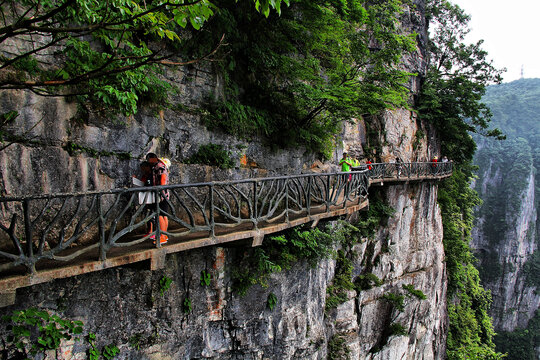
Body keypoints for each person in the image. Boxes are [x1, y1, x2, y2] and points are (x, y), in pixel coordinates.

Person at [146, 153, 170, 245]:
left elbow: (163, 179)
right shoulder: (161, 166)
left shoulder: (159, 166)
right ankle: (165, 235)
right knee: (164, 214)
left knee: (159, 214)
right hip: (164, 193)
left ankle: (162, 236)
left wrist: (160, 190)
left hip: (161, 194)